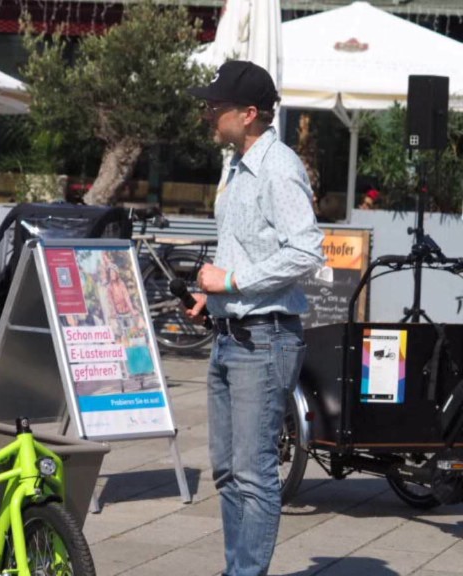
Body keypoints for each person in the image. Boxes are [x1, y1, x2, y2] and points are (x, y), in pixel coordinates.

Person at [186, 60, 324, 576]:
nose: (207, 113)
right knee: (226, 471)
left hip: (264, 339)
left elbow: (307, 251)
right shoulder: (236, 165)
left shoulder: (278, 167)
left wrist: (234, 284)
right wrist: (213, 298)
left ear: (248, 114)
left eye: (215, 106)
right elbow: (242, 249)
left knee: (255, 472)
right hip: (231, 334)